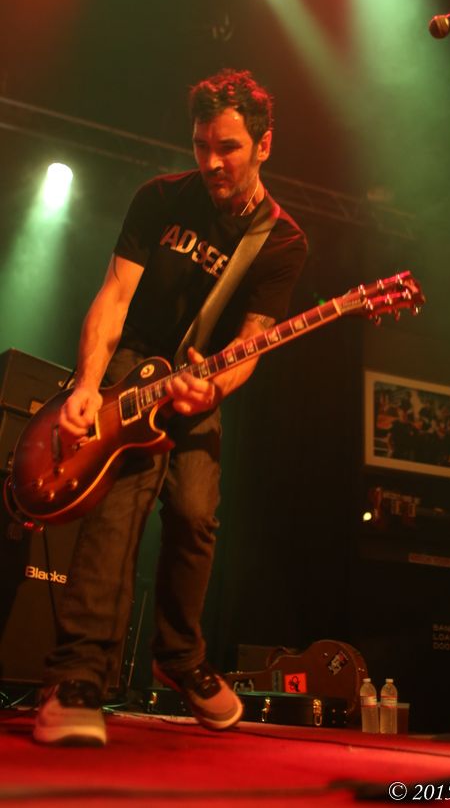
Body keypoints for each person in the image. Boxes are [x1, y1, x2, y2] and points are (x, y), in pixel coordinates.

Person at [32, 68, 308, 746]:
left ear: (265, 145)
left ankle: (179, 657)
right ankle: (77, 677)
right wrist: (87, 385)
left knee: (194, 512)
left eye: (228, 147)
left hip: (199, 377)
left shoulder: (281, 241)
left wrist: (211, 388)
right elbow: (114, 297)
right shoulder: (159, 198)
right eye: (201, 145)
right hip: (132, 365)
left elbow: (250, 344)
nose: (212, 162)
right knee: (119, 509)